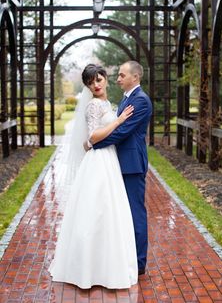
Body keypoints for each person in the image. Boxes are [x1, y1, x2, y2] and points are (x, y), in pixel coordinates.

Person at [48, 64, 138, 289]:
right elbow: (93, 137)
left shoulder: (107, 104)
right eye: (91, 82)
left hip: (110, 160)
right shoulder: (94, 106)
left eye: (99, 79)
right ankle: (87, 268)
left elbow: (90, 141)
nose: (96, 85)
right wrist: (118, 121)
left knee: (109, 211)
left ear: (105, 79)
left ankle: (106, 265)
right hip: (98, 162)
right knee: (95, 210)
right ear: (88, 86)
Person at [93, 61, 152, 275]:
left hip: (132, 164)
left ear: (135, 77)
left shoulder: (141, 100)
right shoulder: (127, 98)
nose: (117, 79)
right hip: (121, 162)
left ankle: (139, 263)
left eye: (121, 75)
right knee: (123, 212)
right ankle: (127, 256)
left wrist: (94, 144)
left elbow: (123, 131)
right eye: (117, 75)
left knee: (136, 212)